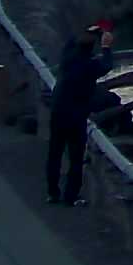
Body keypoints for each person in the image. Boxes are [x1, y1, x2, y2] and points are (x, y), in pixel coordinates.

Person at [45, 20, 112, 206]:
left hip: (58, 111)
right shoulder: (90, 66)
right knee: (76, 157)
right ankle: (71, 196)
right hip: (77, 115)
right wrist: (106, 46)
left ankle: (52, 192)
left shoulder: (67, 58)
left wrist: (88, 31)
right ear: (93, 49)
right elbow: (107, 65)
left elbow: (71, 41)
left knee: (55, 153)